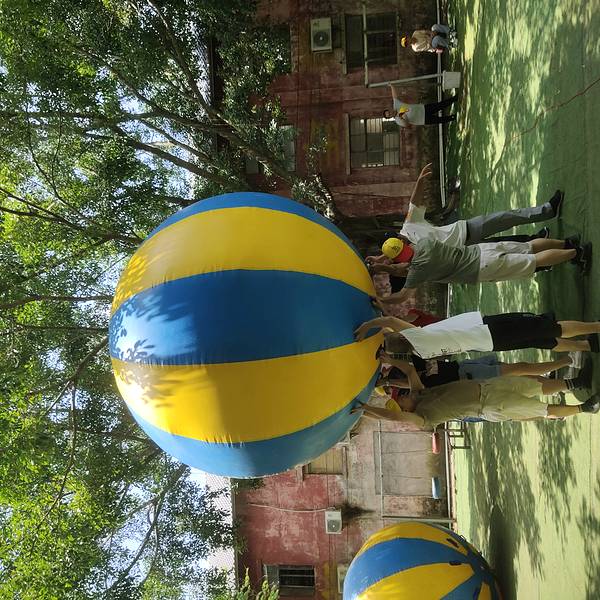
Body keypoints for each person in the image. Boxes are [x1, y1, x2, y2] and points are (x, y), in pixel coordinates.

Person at [353, 359, 600, 430]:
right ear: (406, 410)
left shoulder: (421, 393)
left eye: (399, 396)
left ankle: (574, 383)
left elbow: (408, 370)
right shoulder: (423, 419)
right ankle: (585, 408)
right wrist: (366, 409)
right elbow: (394, 417)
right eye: (400, 400)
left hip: (488, 386)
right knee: (541, 410)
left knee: (535, 385)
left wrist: (386, 359)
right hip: (491, 405)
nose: (402, 396)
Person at [395, 163, 565, 247]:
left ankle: (547, 210)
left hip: (466, 229)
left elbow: (414, 203)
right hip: (467, 251)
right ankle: (538, 240)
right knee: (507, 246)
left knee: (507, 217)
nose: (400, 242)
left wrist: (420, 181)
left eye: (397, 240)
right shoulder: (409, 254)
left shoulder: (409, 225)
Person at [354, 311, 600, 359]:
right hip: (487, 329)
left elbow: (391, 330)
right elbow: (388, 322)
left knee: (540, 340)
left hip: (489, 343)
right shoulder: (418, 337)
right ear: (402, 336)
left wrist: (384, 342)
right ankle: (596, 327)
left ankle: (586, 346)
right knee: (549, 327)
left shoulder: (421, 352)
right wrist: (367, 326)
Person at [377, 351, 591, 392]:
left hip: (466, 367)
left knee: (522, 373)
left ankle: (561, 384)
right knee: (520, 369)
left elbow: (410, 357)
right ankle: (569, 360)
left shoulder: (415, 367)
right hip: (470, 376)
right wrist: (387, 379)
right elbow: (407, 375)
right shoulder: (414, 383)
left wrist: (390, 359)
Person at [385, 84, 458, 127]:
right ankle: (453, 117)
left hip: (423, 109)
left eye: (389, 112)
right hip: (423, 119)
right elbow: (406, 125)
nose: (390, 113)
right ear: (390, 117)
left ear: (389, 110)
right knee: (439, 120)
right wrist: (403, 119)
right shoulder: (398, 121)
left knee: (439, 105)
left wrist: (391, 86)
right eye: (389, 115)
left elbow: (394, 96)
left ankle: (454, 99)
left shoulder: (396, 105)